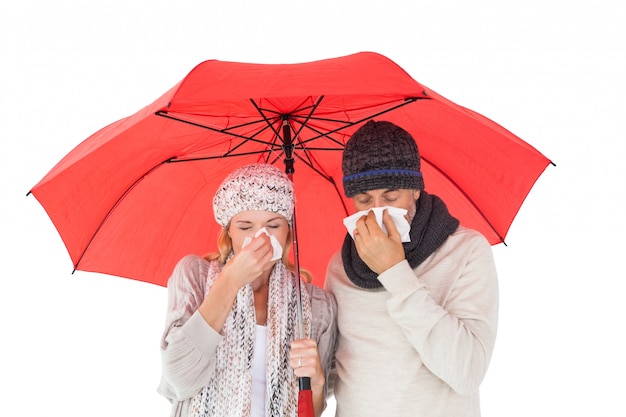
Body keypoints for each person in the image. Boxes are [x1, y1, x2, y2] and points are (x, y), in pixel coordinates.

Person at [324, 120, 498, 417]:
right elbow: (329, 378)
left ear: (415, 189)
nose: (377, 209)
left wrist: (395, 271)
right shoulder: (340, 266)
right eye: (364, 200)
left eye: (391, 197)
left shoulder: (466, 250)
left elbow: (467, 371)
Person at [158, 163, 337, 417]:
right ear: (228, 231)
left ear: (288, 231)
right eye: (245, 227)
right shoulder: (195, 276)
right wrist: (230, 280)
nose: (260, 237)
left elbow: (312, 411)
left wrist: (317, 383)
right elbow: (179, 380)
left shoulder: (316, 305)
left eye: (273, 225)